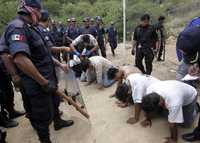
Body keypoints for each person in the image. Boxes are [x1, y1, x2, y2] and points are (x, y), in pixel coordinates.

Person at [1, 0, 74, 142]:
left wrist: (57, 68)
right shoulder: (17, 27)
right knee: (42, 117)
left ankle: (58, 122)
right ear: (32, 10)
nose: (40, 16)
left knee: (54, 106)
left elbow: (45, 53)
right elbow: (20, 59)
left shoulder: (31, 28)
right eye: (39, 12)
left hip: (48, 79)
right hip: (38, 84)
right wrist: (44, 82)